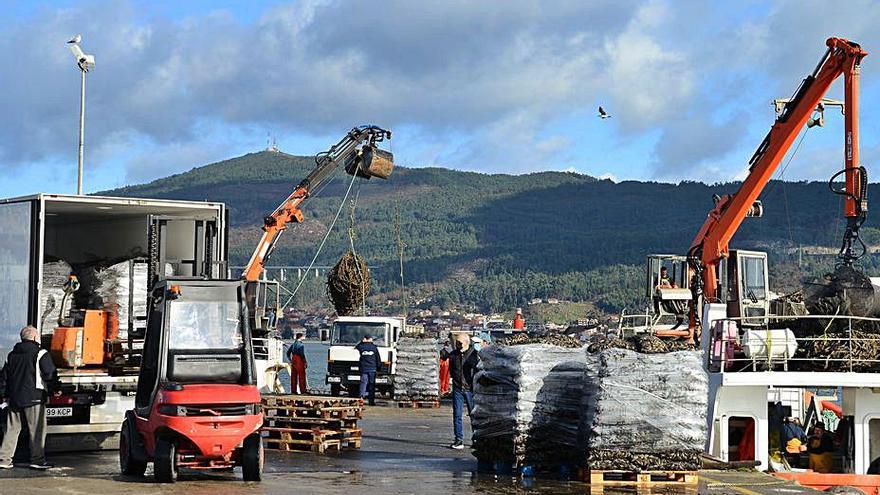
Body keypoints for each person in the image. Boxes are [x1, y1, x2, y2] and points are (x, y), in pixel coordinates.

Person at [0, 326, 58, 470]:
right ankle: (37, 460)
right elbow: (49, 373)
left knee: (11, 430)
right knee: (36, 430)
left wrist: (4, 395)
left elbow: (4, 378)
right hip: (35, 398)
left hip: (15, 398)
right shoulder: (40, 353)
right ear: (34, 337)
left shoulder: (12, 355)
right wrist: (55, 389)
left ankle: (4, 459)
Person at [440, 334, 479, 450]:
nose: (458, 345)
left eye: (460, 343)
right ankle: (459, 440)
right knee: (457, 415)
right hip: (457, 388)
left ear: (467, 342)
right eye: (457, 343)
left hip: (470, 389)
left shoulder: (474, 355)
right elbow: (446, 359)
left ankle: (476, 439)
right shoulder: (454, 355)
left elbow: (478, 370)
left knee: (474, 415)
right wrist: (443, 352)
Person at [355, 335, 380, 406]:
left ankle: (361, 398)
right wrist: (379, 368)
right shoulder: (374, 347)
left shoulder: (361, 347)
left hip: (364, 368)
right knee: (371, 384)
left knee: (363, 383)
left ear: (365, 339)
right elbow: (378, 358)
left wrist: (362, 342)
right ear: (371, 339)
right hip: (373, 368)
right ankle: (371, 401)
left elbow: (356, 346)